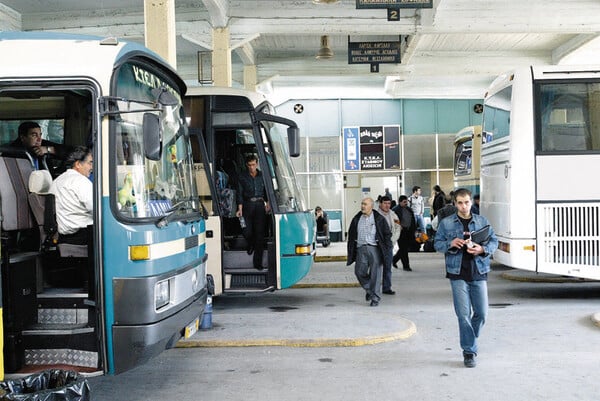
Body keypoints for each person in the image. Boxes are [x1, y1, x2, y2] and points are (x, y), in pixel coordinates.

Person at [433, 188, 498, 368]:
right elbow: (436, 244)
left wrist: (482, 249)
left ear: (471, 202)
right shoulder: (446, 224)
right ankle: (469, 351)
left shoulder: (482, 221)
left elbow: (494, 241)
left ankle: (470, 338)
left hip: (479, 272)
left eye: (467, 202)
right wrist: (450, 243)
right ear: (455, 204)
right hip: (457, 273)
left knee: (482, 313)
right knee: (463, 315)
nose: (464, 206)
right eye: (460, 203)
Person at [346, 197, 392, 307]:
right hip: (361, 248)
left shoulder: (379, 219)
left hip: (375, 248)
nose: (362, 206)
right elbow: (351, 234)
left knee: (376, 274)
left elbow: (387, 234)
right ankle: (370, 290)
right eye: (362, 204)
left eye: (365, 204)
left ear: (371, 206)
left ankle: (375, 298)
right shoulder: (357, 218)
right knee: (359, 272)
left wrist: (387, 247)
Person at [49, 146, 94, 245]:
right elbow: (97, 209)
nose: (92, 167)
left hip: (63, 236)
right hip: (82, 235)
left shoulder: (57, 181)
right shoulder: (81, 181)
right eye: (90, 163)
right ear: (78, 164)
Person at [236, 154, 270, 270]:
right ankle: (251, 243)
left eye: (253, 165)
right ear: (247, 165)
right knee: (246, 230)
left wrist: (268, 203)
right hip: (247, 205)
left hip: (260, 206)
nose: (252, 167)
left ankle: (258, 264)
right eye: (249, 165)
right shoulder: (242, 176)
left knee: (260, 235)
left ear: (257, 164)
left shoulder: (262, 176)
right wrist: (240, 209)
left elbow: (267, 191)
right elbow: (239, 193)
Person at [377, 196, 401, 295]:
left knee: (388, 267)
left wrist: (392, 240)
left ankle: (387, 287)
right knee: (375, 267)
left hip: (388, 244)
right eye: (385, 203)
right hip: (377, 244)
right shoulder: (374, 215)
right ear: (380, 203)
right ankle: (374, 287)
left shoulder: (394, 215)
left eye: (389, 203)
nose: (387, 205)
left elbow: (397, 228)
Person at [392, 195, 416, 271]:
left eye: (407, 202)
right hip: (401, 232)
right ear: (400, 202)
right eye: (404, 202)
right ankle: (406, 266)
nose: (406, 203)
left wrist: (414, 229)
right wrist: (398, 226)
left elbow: (413, 220)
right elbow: (393, 220)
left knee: (405, 248)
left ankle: (394, 259)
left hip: (409, 231)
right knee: (403, 249)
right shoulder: (395, 210)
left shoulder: (409, 210)